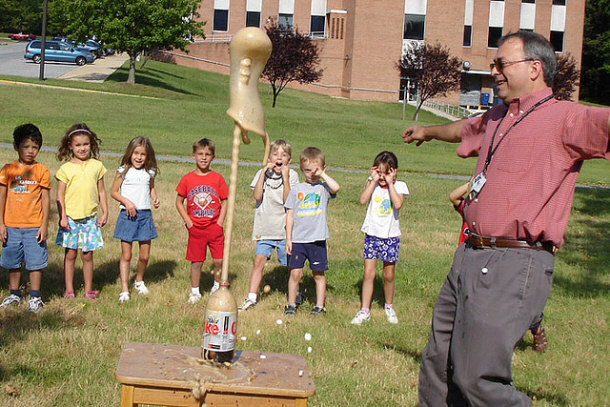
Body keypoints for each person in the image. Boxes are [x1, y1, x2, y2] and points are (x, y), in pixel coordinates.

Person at [402, 30, 610, 406]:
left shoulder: (567, 118)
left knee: (478, 378)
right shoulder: (498, 117)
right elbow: (463, 130)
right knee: (439, 364)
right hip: (469, 255)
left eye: (501, 64)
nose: (494, 71)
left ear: (534, 68)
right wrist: (428, 131)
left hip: (515, 260)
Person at [450, 181, 548, 351]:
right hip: (469, 259)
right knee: (467, 297)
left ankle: (536, 325)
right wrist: (472, 184)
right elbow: (453, 197)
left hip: (492, 260)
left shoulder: (496, 217)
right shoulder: (469, 210)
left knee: (516, 298)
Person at [238, 139, 299, 311]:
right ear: (269, 158)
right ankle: (251, 297)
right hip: (264, 228)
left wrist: (285, 178)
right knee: (258, 261)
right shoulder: (262, 173)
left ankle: (296, 292)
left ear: (289, 160)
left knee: (290, 265)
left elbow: (288, 201)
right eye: (275, 154)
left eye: (284, 155)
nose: (279, 158)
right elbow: (257, 196)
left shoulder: (292, 175)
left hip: (284, 230)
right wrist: (263, 174)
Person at [350, 151, 409, 325]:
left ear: (395, 172)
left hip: (390, 236)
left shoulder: (400, 186)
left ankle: (388, 306)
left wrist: (390, 184)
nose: (382, 176)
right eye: (380, 172)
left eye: (387, 172)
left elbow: (398, 204)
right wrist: (373, 180)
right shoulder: (372, 183)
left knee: (388, 274)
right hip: (372, 234)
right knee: (368, 273)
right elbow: (362, 200)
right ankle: (364, 310)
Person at [283, 147, 340, 316]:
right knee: (295, 273)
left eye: (316, 170)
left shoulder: (323, 188)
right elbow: (290, 215)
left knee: (318, 274)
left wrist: (322, 175)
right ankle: (291, 304)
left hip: (317, 239)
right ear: (302, 170)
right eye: (308, 170)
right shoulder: (297, 189)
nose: (312, 174)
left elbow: (336, 188)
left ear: (323, 168)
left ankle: (319, 306)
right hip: (298, 239)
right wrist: (288, 239)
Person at [0, 124, 50, 313]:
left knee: (35, 262)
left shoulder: (41, 171)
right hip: (11, 225)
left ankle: (35, 297)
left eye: (35, 147)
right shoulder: (7, 170)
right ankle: (14, 293)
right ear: (16, 146)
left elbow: (45, 200)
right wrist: (1, 224)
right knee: (12, 262)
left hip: (33, 226)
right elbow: (2, 197)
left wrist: (44, 225)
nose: (30, 151)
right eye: (26, 146)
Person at [56, 123, 108, 300]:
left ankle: (88, 289)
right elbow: (60, 196)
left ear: (91, 145)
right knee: (70, 254)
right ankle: (69, 289)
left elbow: (101, 191)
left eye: (85, 144)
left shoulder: (97, 166)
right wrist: (62, 217)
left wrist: (105, 212)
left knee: (87, 255)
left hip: (90, 219)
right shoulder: (65, 169)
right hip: (70, 219)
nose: (82, 148)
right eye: (77, 145)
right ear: (70, 146)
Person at [175, 138, 228, 304]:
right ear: (193, 156)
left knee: (219, 260)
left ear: (213, 157)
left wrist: (220, 222)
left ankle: (216, 285)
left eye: (208, 154)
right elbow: (178, 201)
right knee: (197, 262)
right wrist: (188, 222)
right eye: (200, 154)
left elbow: (225, 200)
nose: (204, 158)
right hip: (196, 229)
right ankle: (195, 291)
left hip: (214, 227)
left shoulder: (217, 178)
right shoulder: (187, 179)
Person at [110, 137, 160, 303]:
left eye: (143, 154)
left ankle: (139, 280)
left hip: (145, 216)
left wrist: (154, 197)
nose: (138, 157)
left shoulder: (149, 172)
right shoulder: (123, 170)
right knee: (126, 255)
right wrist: (127, 202)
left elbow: (151, 188)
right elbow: (114, 191)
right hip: (127, 215)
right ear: (130, 153)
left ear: (148, 156)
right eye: (136, 153)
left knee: (144, 256)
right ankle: (124, 289)